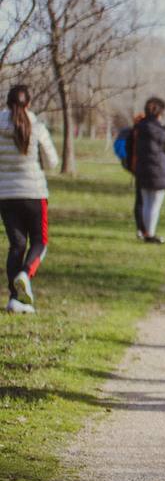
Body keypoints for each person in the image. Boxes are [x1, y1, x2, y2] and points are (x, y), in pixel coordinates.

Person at [0, 86, 58, 314]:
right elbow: (52, 161)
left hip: (5, 195)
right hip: (34, 193)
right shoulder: (37, 126)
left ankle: (15, 299)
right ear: (29, 103)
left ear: (7, 102)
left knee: (16, 245)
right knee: (39, 241)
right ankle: (26, 273)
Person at [134, 97, 165, 244]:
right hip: (158, 170)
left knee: (145, 202)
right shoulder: (161, 131)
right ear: (160, 113)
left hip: (142, 168)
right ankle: (150, 234)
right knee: (155, 204)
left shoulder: (139, 128)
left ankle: (145, 231)